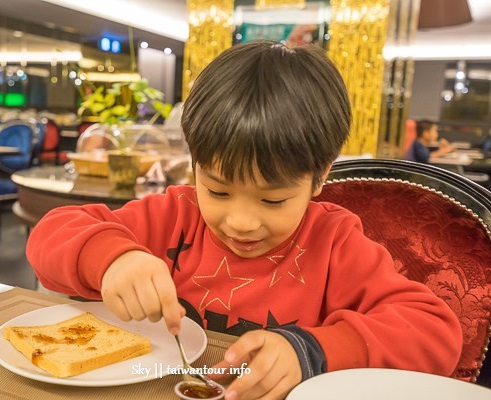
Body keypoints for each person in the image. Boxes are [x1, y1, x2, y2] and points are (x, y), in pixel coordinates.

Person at [27, 41, 461, 400]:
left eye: (273, 200)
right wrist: (111, 259)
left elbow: (436, 334)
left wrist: (314, 350)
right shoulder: (175, 215)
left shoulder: (333, 241)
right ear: (194, 164)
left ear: (320, 176)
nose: (240, 222)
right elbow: (52, 233)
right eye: (217, 190)